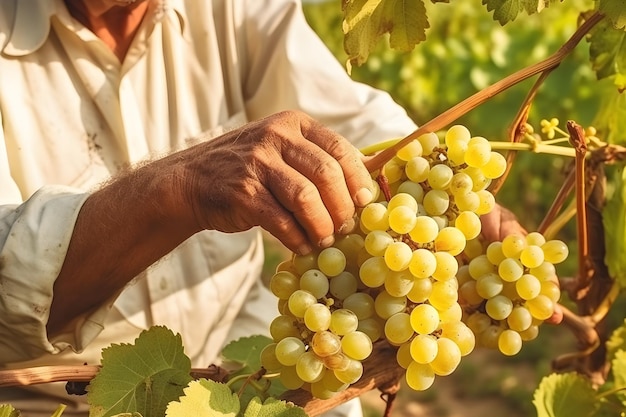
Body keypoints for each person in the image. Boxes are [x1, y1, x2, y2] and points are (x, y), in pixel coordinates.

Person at [0, 0, 553, 416]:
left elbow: (347, 126)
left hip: (254, 368)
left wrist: (437, 190)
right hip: (57, 401)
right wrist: (177, 190)